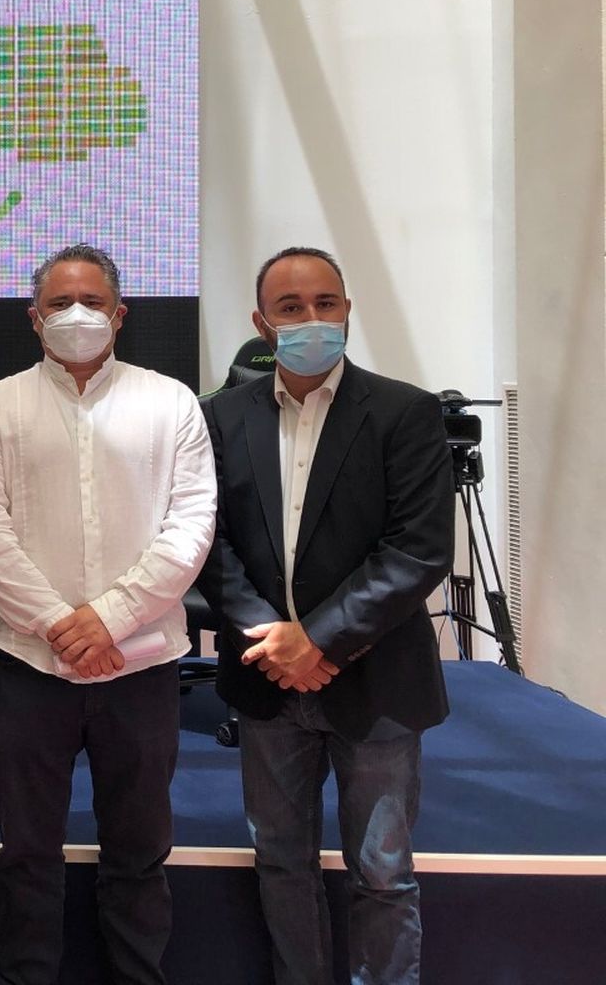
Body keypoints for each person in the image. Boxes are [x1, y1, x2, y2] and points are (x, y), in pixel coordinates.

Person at [0, 243, 217, 985]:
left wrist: (109, 620)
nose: (77, 315)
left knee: (139, 851)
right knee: (29, 851)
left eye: (93, 302)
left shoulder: (171, 404)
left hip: (142, 666)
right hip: (30, 665)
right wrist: (61, 627)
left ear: (120, 314)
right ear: (33, 319)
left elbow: (191, 525)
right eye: (60, 303)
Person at [196, 247, 453, 985]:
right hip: (266, 681)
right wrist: (275, 642)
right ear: (261, 323)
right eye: (290, 308)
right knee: (280, 863)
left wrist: (320, 640)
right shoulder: (219, 417)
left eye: (325, 304)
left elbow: (418, 551)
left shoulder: (404, 411)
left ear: (346, 309)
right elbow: (206, 543)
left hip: (376, 683)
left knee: (383, 874)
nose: (311, 320)